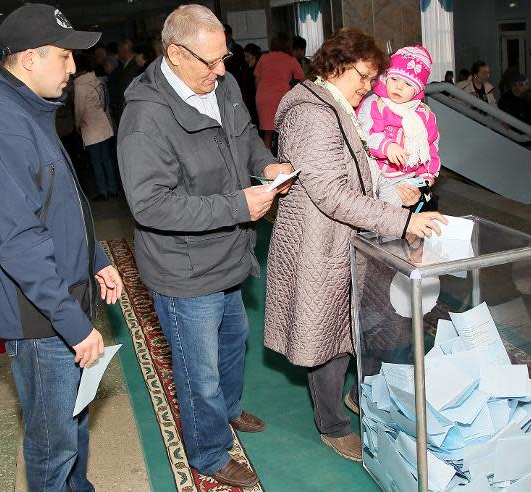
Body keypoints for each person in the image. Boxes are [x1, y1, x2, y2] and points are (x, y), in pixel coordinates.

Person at [117, 4, 293, 488]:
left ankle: (229, 411)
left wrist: (268, 165)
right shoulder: (145, 118)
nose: (222, 71)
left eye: (226, 58)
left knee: (234, 342)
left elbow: (246, 143)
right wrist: (238, 206)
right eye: (209, 62)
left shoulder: (224, 85)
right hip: (183, 268)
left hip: (228, 253)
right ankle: (209, 452)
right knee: (200, 372)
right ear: (174, 53)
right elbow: (151, 206)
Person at [0, 5, 124, 491]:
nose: (73, 68)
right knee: (53, 447)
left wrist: (96, 257)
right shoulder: (1, 130)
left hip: (60, 301)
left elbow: (58, 205)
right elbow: (22, 245)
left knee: (73, 426)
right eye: (64, 57)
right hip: (40, 319)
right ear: (29, 58)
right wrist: (74, 326)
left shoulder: (27, 111)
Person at [263, 28, 445, 462]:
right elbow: (331, 193)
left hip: (348, 238)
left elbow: (358, 174)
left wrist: (391, 190)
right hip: (319, 244)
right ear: (336, 66)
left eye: (371, 79)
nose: (369, 88)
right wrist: (402, 220)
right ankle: (331, 424)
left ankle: (361, 395)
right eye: (362, 78)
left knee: (372, 326)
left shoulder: (339, 105)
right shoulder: (311, 113)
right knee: (326, 339)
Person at [357, 45, 440, 207]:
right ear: (386, 77)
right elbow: (362, 134)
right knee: (363, 215)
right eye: (394, 79)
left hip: (401, 179)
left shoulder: (424, 115)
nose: (399, 86)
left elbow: (430, 149)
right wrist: (386, 146)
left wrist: (425, 179)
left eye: (408, 84)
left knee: (390, 222)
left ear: (417, 90)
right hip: (369, 171)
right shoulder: (374, 103)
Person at [74, 54, 119, 200]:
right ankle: (113, 189)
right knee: (106, 159)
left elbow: (79, 109)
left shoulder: (80, 86)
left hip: (90, 127)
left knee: (96, 161)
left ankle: (102, 191)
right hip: (103, 124)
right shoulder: (97, 80)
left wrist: (77, 125)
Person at [254, 32, 304, 150]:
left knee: (267, 133)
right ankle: (284, 159)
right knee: (284, 131)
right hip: (281, 97)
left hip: (263, 97)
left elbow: (257, 79)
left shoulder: (264, 58)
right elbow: (302, 79)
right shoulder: (291, 60)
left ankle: (267, 161)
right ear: (288, 45)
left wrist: (261, 92)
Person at [111, 39, 140, 122]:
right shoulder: (128, 65)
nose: (118, 53)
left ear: (124, 50)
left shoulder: (133, 66)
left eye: (119, 50)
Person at [241, 42, 261, 126]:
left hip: (255, 102)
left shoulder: (257, 70)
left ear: (254, 56)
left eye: (248, 56)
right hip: (250, 102)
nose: (246, 59)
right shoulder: (247, 69)